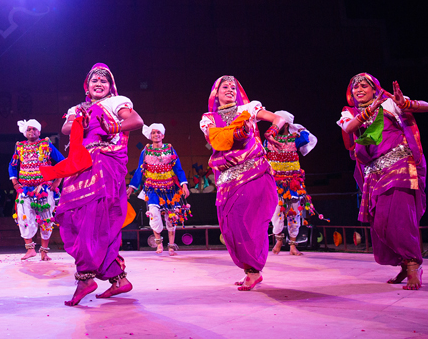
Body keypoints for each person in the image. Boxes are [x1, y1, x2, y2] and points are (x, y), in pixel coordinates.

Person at [46, 63, 143, 306]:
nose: (98, 84)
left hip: (104, 162)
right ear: (86, 86)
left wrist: (114, 126)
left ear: (110, 86)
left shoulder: (117, 102)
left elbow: (136, 121)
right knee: (73, 217)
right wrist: (81, 121)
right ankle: (118, 280)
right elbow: (66, 128)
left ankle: (85, 279)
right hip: (80, 165)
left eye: (104, 80)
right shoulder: (76, 108)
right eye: (94, 80)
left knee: (95, 216)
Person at [337, 74, 428, 290]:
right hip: (373, 172)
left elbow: (427, 106)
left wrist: (405, 103)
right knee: (380, 223)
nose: (359, 90)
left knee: (399, 217)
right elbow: (349, 129)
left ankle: (413, 265)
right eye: (355, 88)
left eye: (363, 86)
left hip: (399, 164)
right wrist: (369, 111)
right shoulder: (348, 113)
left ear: (373, 88)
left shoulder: (390, 103)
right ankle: (403, 263)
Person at [199, 75, 285, 291]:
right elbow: (214, 139)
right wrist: (239, 131)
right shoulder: (208, 118)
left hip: (254, 172)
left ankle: (254, 272)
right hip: (227, 179)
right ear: (216, 94)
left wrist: (271, 131)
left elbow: (278, 119)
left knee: (251, 223)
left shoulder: (249, 109)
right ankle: (249, 270)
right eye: (224, 87)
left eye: (233, 87)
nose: (230, 90)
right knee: (231, 227)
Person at [264, 111, 324, 256]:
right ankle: (278, 239)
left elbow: (306, 138)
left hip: (293, 183)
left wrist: (299, 128)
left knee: (294, 213)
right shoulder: (268, 141)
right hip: (276, 183)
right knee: (276, 212)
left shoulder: (295, 139)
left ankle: (292, 244)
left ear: (285, 124)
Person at [127, 123, 191, 256]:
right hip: (152, 188)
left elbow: (178, 168)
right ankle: (159, 243)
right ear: (150, 136)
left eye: (158, 132)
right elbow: (139, 170)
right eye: (153, 132)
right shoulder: (145, 151)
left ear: (163, 135)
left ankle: (172, 246)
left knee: (171, 215)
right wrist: (131, 188)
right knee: (154, 213)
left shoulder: (170, 149)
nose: (156, 135)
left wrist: (184, 184)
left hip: (170, 188)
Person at [8, 119, 65, 261]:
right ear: (25, 132)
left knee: (46, 219)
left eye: (34, 129)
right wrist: (15, 183)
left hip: (44, 188)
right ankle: (30, 250)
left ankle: (44, 252)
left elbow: (62, 162)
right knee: (24, 217)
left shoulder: (46, 145)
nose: (31, 131)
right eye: (28, 129)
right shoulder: (19, 147)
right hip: (25, 189)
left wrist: (57, 181)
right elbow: (13, 165)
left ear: (39, 132)